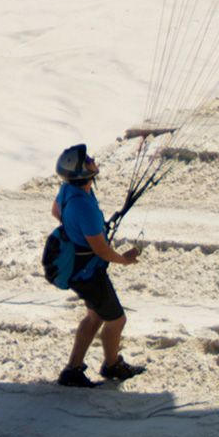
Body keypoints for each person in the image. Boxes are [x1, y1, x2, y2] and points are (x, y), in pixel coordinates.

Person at [51, 143, 146, 388]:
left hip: (79, 269)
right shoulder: (84, 208)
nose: (93, 160)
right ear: (83, 172)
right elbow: (101, 249)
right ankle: (112, 365)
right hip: (87, 274)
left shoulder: (69, 191)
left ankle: (72, 370)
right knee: (116, 320)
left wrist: (75, 229)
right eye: (88, 160)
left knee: (94, 316)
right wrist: (124, 259)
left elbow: (55, 211)